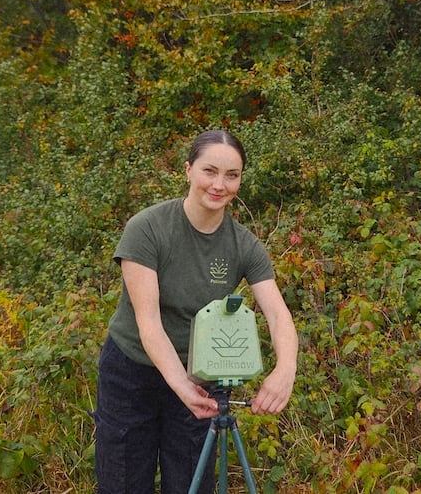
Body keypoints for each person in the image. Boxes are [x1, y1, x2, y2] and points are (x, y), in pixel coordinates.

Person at [94, 129, 298, 494]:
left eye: (231, 175)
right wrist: (180, 386)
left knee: (191, 483)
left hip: (199, 377)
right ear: (188, 170)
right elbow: (149, 323)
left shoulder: (245, 246)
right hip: (131, 373)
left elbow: (278, 314)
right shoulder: (147, 229)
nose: (219, 184)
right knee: (123, 483)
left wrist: (285, 370)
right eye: (209, 171)